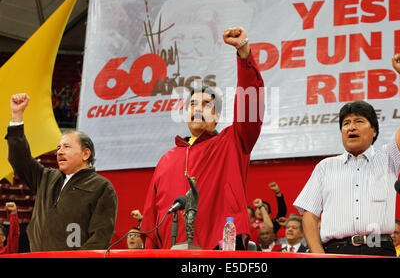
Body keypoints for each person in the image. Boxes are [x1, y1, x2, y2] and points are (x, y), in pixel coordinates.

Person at [140, 27, 264, 250]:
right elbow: (150, 218)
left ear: (217, 116)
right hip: (171, 252)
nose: (198, 108)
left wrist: (244, 53)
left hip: (220, 250)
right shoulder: (166, 159)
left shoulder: (232, 143)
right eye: (193, 104)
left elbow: (251, 108)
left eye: (207, 105)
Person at [294, 53, 400, 256]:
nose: (351, 127)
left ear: (374, 131)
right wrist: (318, 254)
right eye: (346, 123)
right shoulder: (325, 167)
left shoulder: (389, 158)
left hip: (379, 248)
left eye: (359, 121)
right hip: (335, 250)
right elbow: (309, 214)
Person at [6, 93, 118, 251]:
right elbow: (19, 158)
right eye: (58, 148)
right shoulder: (46, 177)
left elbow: (100, 238)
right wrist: (17, 116)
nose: (59, 152)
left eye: (66, 147)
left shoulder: (102, 187)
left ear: (86, 154)